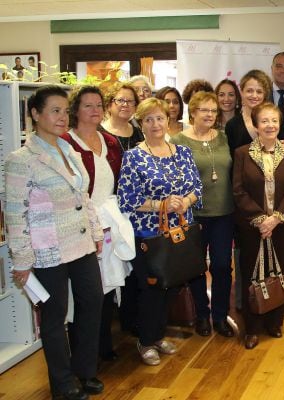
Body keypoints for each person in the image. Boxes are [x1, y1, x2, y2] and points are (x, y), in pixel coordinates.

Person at [5, 85, 105, 400]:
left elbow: (83, 196)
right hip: (48, 250)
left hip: (81, 244)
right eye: (55, 110)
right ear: (35, 114)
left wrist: (96, 231)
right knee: (54, 315)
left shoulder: (69, 150)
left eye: (65, 110)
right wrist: (22, 260)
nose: (62, 117)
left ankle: (85, 371)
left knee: (92, 302)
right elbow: (14, 213)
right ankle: (63, 383)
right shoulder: (22, 159)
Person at [117, 98, 202, 366]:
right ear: (141, 124)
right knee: (152, 289)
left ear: (168, 121)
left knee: (173, 284)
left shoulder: (182, 152)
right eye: (148, 119)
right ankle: (146, 339)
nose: (155, 124)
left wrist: (184, 202)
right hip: (150, 237)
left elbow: (197, 188)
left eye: (160, 118)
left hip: (181, 231)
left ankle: (158, 334)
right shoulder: (133, 157)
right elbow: (126, 200)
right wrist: (162, 205)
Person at [61, 86, 126, 363]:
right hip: (79, 225)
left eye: (99, 104)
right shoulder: (65, 143)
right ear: (75, 109)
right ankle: (81, 353)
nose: (95, 110)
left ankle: (103, 344)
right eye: (88, 105)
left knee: (107, 286)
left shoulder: (110, 141)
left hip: (109, 221)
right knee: (84, 293)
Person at [232, 103, 284, 349]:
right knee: (253, 274)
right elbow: (238, 192)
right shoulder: (242, 153)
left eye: (275, 120)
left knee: (280, 272)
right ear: (255, 125)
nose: (270, 125)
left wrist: (277, 218)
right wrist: (261, 219)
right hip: (253, 227)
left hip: (282, 225)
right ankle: (252, 328)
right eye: (265, 121)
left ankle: (275, 323)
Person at [170, 91, 236, 338]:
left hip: (223, 213)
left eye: (213, 110)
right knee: (196, 267)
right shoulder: (177, 141)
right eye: (204, 110)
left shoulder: (224, 138)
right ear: (193, 112)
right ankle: (201, 315)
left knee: (221, 265)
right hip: (193, 214)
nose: (210, 115)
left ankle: (220, 316)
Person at [226, 70, 273, 156]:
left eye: (259, 92)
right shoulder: (232, 125)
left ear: (265, 95)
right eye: (249, 91)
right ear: (241, 92)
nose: (254, 96)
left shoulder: (275, 121)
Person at [100, 82, 144, 152]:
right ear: (108, 105)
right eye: (120, 100)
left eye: (130, 101)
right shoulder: (98, 133)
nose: (125, 104)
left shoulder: (138, 132)